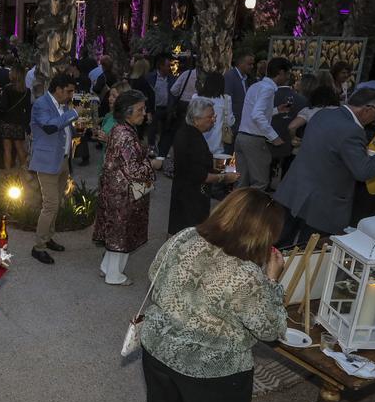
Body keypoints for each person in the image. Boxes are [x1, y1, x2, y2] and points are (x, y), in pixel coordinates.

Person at [140, 188, 286, 402]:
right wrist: (272, 281)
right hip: (216, 371)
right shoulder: (246, 275)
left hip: (159, 350)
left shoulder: (185, 237)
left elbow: (154, 275)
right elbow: (271, 330)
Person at [274, 88, 375, 247]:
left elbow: (327, 152)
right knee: (307, 253)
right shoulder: (352, 130)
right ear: (367, 109)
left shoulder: (323, 114)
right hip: (322, 203)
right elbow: (363, 171)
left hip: (294, 191)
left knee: (279, 242)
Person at [93, 90, 160, 285]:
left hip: (117, 189)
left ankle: (107, 268)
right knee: (121, 233)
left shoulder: (121, 129)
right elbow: (133, 169)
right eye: (140, 109)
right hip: (124, 192)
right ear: (128, 112)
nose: (144, 112)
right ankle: (114, 275)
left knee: (117, 230)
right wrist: (153, 165)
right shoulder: (125, 133)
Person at [163, 97, 240, 234]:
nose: (214, 119)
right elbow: (201, 176)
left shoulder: (189, 133)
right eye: (210, 116)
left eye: (214, 116)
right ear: (196, 119)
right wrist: (225, 177)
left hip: (186, 195)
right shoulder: (191, 139)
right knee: (188, 236)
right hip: (190, 199)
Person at [28, 74, 80, 265]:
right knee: (50, 205)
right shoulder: (42, 104)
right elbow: (50, 127)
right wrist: (73, 114)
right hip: (47, 162)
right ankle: (38, 247)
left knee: (56, 203)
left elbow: (64, 130)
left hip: (63, 160)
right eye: (69, 91)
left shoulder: (63, 105)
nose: (70, 95)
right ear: (58, 89)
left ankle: (48, 238)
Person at [235, 57, 292, 190]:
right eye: (287, 74)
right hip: (254, 139)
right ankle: (254, 210)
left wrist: (277, 110)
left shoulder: (255, 86)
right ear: (281, 73)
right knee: (260, 182)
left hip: (241, 137)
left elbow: (253, 112)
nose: (288, 77)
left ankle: (237, 209)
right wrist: (274, 137)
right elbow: (257, 115)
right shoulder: (268, 89)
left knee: (241, 182)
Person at [192, 71, 235, 157]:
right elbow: (230, 122)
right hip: (216, 146)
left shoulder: (195, 98)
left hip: (196, 143)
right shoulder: (226, 99)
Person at [223, 52, 255, 146]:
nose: (252, 66)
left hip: (240, 124)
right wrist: (230, 122)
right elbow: (226, 100)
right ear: (241, 63)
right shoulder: (230, 76)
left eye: (253, 64)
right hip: (232, 125)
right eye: (249, 64)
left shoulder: (245, 78)